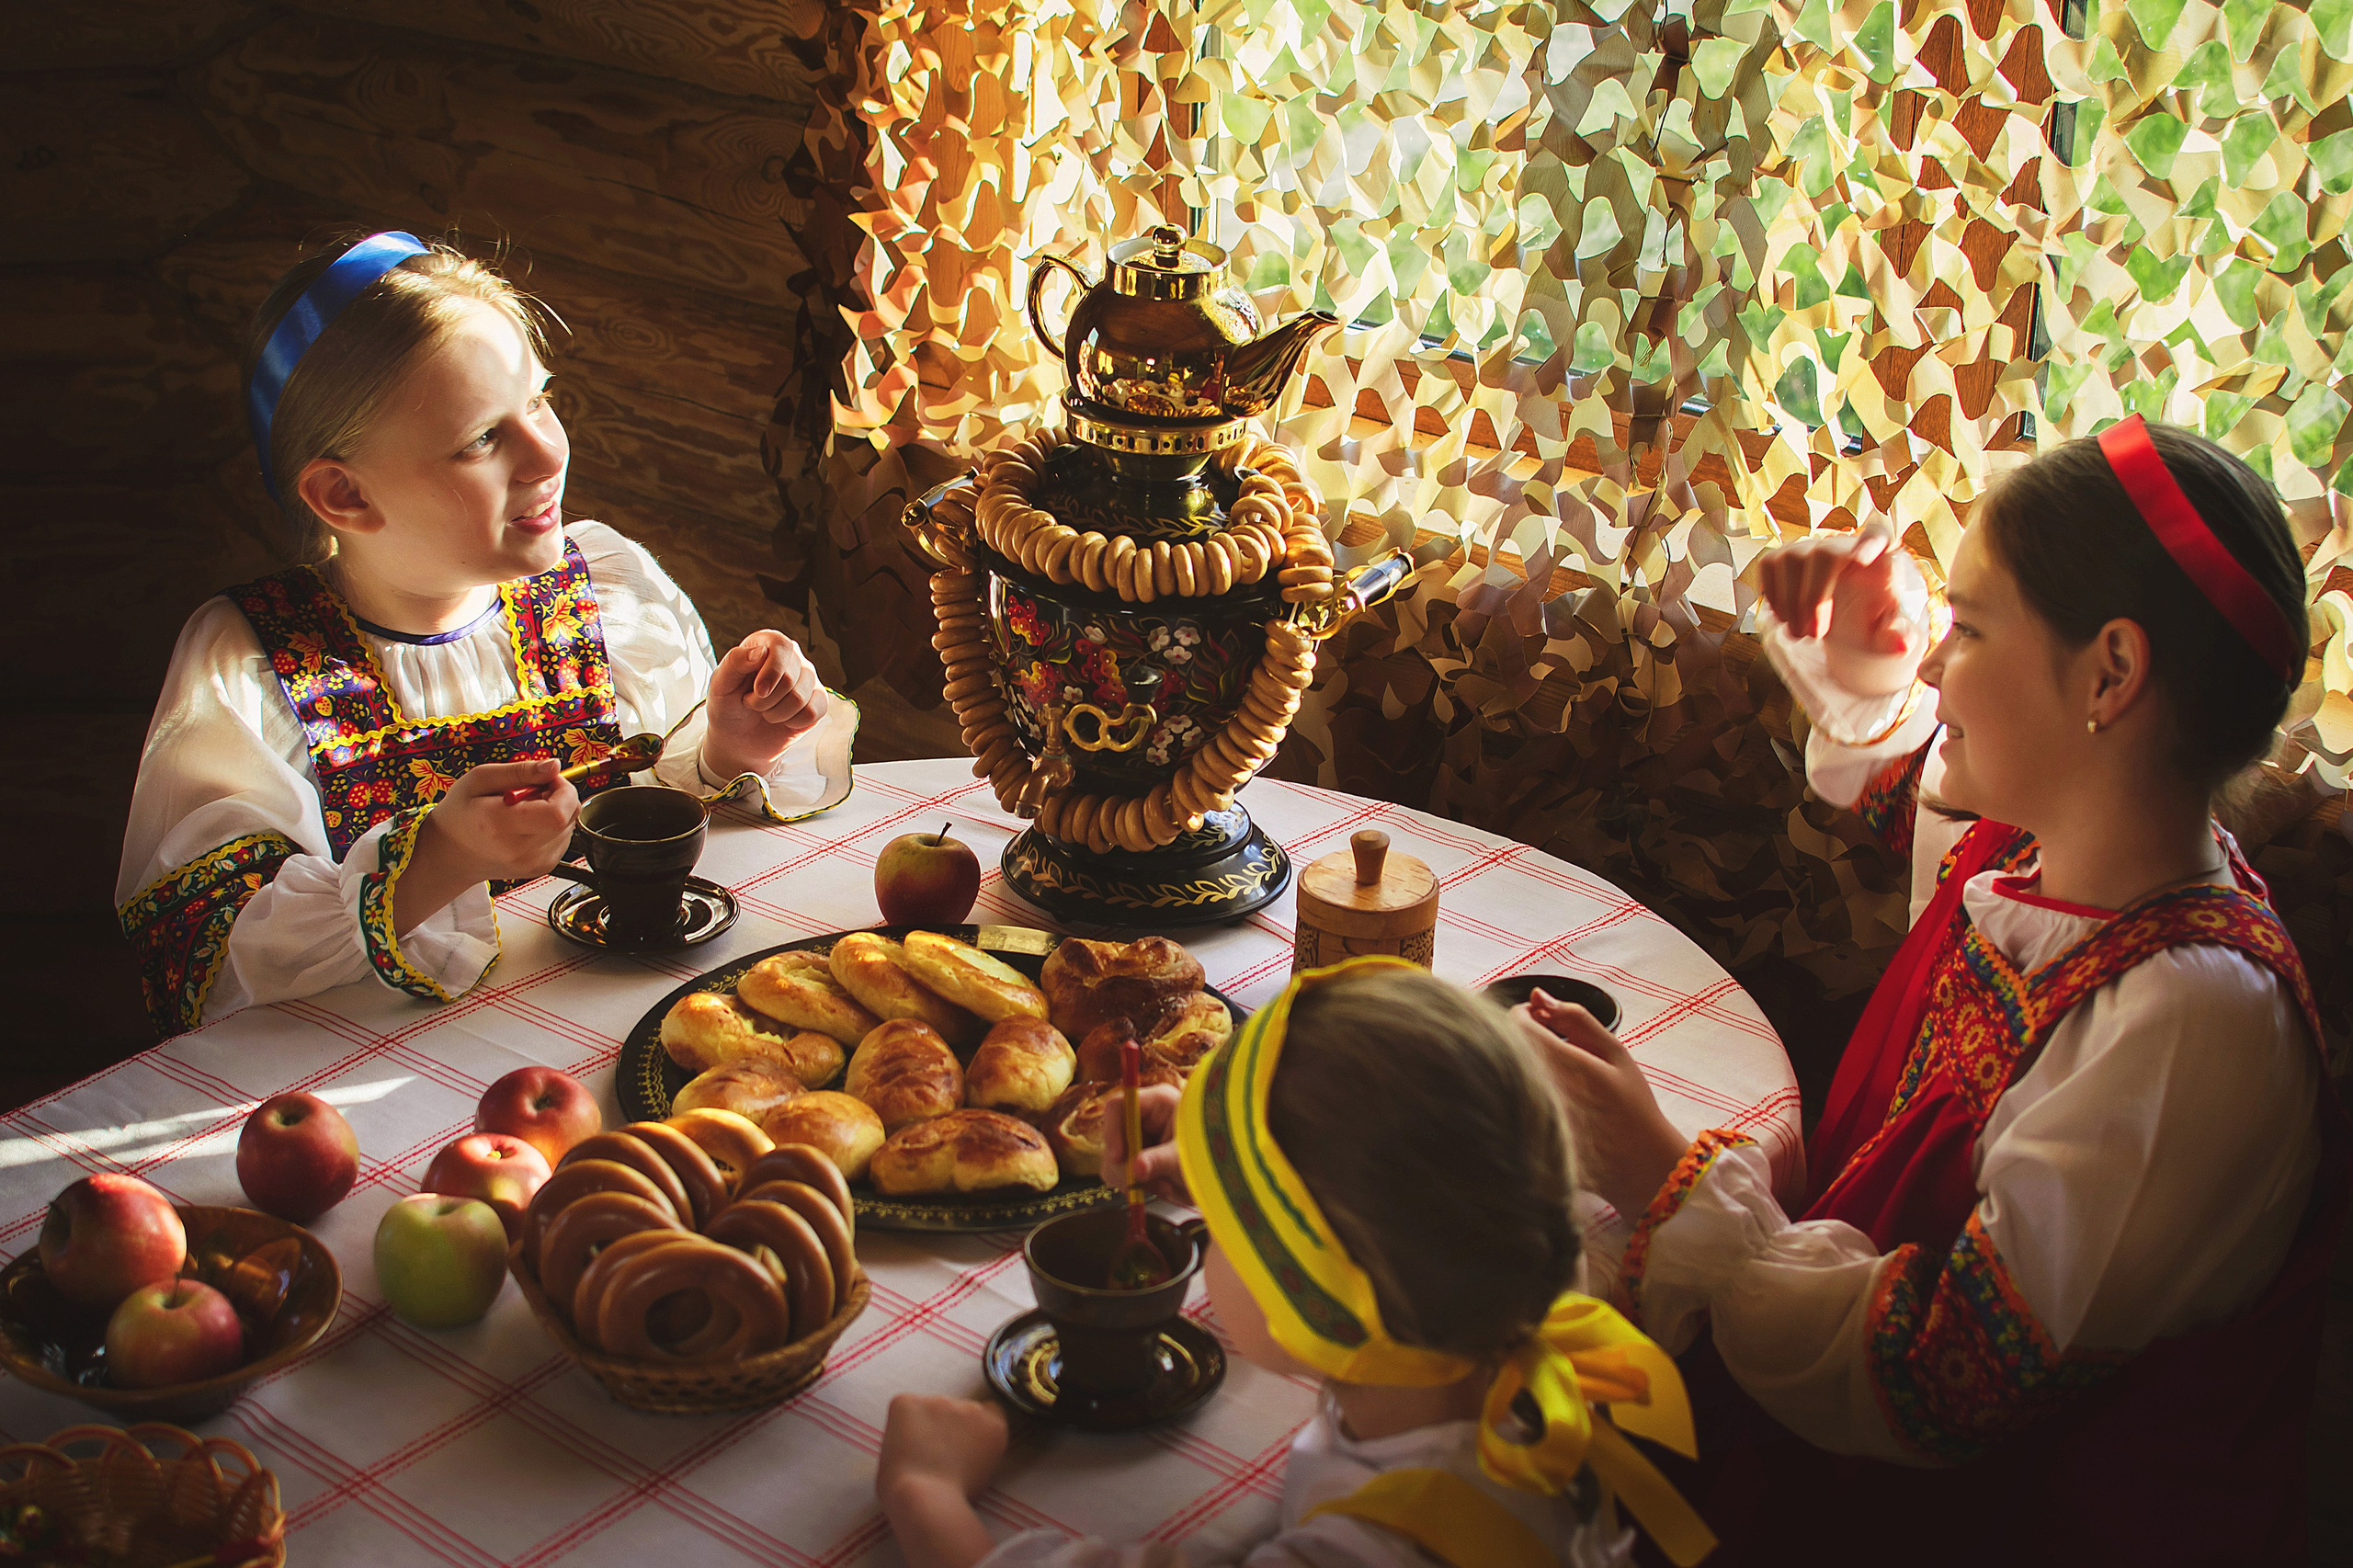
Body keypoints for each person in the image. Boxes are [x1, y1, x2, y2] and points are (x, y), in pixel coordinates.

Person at [1526, 416, 2338, 1563]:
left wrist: (1668, 1179)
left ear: (2110, 671)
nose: (1936, 664)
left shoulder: (2188, 1023)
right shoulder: (2046, 856)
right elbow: (1924, 795)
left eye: (1966, 627)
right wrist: (1871, 662)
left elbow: (1940, 1384)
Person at [118, 233, 855, 1035]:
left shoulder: (604, 589)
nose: (547, 453)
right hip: (386, 1071)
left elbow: (650, 817)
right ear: (345, 496)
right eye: (480, 439)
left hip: (611, 1022)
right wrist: (438, 860)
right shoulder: (256, 664)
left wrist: (725, 750)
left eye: (538, 401)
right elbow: (203, 960)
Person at [875, 958, 1720, 1568]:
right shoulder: (1506, 1348)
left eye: (1222, 1225)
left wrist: (926, 1496)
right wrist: (1216, 1137)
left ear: (1321, 1297)